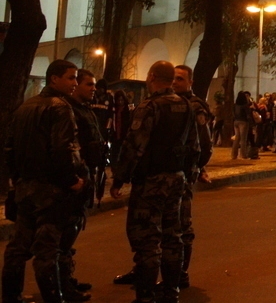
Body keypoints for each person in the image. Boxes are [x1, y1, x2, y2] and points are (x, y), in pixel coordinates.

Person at [109, 61, 198, 303]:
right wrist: (188, 175)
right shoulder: (187, 106)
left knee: (147, 239)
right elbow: (194, 147)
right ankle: (171, 292)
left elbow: (133, 146)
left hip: (151, 181)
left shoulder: (150, 107)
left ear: (151, 77)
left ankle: (145, 296)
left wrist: (119, 179)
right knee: (173, 237)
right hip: (177, 180)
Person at [3, 60, 89, 303]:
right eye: (70, 78)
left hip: (26, 188)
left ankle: (11, 296)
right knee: (47, 249)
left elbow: (9, 149)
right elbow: (64, 149)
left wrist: (18, 179)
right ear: (54, 79)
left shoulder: (25, 107)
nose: (74, 83)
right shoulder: (60, 108)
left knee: (18, 247)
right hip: (51, 191)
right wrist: (72, 180)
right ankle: (54, 298)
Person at [60, 69, 105, 301]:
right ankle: (62, 284)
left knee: (73, 230)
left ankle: (66, 278)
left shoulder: (85, 109)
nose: (93, 88)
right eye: (89, 84)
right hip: (75, 180)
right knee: (65, 234)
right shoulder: (67, 110)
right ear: (76, 85)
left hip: (87, 176)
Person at [172, 65, 213, 289]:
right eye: (172, 78)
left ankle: (181, 273)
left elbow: (204, 144)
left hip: (183, 174)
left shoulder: (194, 105)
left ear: (190, 81)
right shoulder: (168, 103)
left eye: (179, 79)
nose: (174, 83)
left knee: (182, 226)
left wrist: (197, 167)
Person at [231, 91, 251, 160]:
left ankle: (234, 155)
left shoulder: (235, 105)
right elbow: (248, 115)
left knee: (237, 138)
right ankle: (243, 154)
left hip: (236, 121)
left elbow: (233, 114)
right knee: (243, 139)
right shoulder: (245, 105)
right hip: (243, 121)